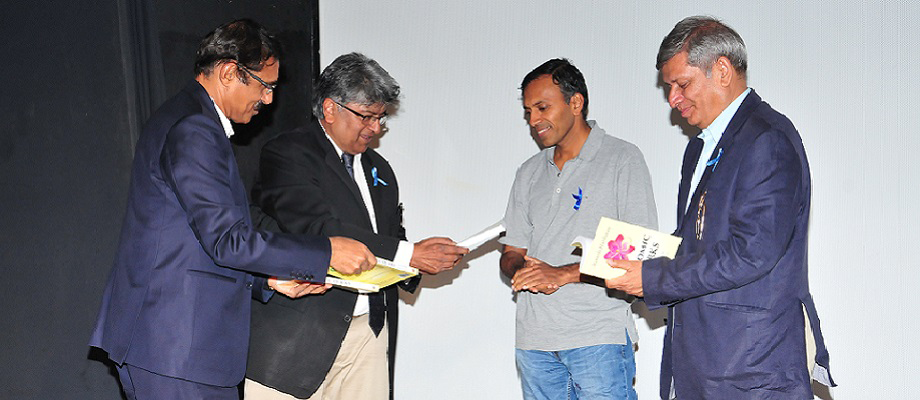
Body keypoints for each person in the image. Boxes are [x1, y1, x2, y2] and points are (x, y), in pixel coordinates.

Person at [89, 20, 376, 400]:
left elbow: (197, 244)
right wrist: (326, 252)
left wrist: (268, 281)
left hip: (179, 350)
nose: (269, 100)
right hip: (175, 349)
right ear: (229, 72)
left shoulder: (190, 120)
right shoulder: (194, 128)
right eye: (266, 85)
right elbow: (228, 240)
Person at [605, 16, 836, 399]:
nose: (672, 99)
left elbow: (752, 252)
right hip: (703, 363)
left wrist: (653, 278)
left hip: (752, 369)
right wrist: (632, 258)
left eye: (682, 84)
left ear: (723, 70)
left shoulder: (767, 138)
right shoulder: (699, 146)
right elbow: (695, 242)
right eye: (668, 88)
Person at [244, 52, 469, 400]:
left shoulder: (380, 169)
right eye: (367, 116)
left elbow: (390, 236)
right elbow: (318, 230)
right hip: (298, 340)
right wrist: (410, 254)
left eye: (381, 118)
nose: (376, 128)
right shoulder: (288, 153)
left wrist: (421, 261)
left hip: (369, 335)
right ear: (331, 109)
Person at [499, 58, 657, 400]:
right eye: (528, 111)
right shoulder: (528, 172)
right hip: (534, 341)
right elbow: (512, 252)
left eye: (542, 107)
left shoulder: (622, 159)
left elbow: (638, 255)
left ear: (576, 102)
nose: (534, 120)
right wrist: (522, 270)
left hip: (597, 336)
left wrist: (562, 274)